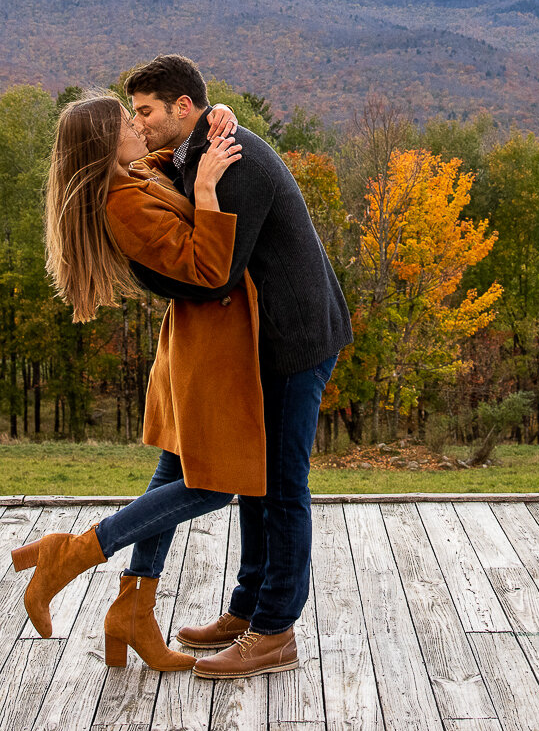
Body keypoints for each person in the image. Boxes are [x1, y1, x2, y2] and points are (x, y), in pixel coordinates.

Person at [10, 92, 262, 672]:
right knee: (217, 484)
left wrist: (213, 113)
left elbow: (171, 151)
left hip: (194, 346)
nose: (137, 124)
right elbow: (207, 269)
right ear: (104, 143)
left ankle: (133, 610)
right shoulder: (121, 203)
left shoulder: (132, 174)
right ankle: (74, 553)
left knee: (173, 472)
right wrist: (204, 192)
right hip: (206, 350)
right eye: (127, 121)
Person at [122, 54, 353, 682]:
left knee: (280, 486)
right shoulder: (198, 151)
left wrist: (142, 263)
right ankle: (247, 608)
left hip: (294, 343)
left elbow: (212, 277)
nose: (138, 124)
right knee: (254, 479)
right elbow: (153, 175)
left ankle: (275, 630)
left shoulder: (229, 163)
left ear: (183, 108)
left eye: (146, 112)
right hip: (260, 345)